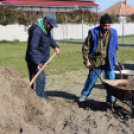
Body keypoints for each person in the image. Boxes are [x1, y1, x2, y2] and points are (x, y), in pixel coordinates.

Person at [79, 13, 119, 103]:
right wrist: (86, 60)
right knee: (91, 81)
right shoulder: (93, 33)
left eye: (109, 25)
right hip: (96, 62)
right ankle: (84, 96)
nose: (107, 27)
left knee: (111, 81)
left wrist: (115, 59)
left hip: (108, 62)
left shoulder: (113, 33)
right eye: (105, 25)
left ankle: (110, 99)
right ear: (101, 24)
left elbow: (114, 48)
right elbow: (85, 47)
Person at [25, 14, 60, 98]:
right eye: (51, 25)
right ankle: (40, 101)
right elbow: (33, 49)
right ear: (45, 22)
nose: (52, 27)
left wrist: (55, 46)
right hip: (34, 60)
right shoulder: (37, 31)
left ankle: (35, 98)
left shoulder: (45, 29)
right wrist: (37, 62)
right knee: (39, 81)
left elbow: (49, 39)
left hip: (39, 60)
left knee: (38, 81)